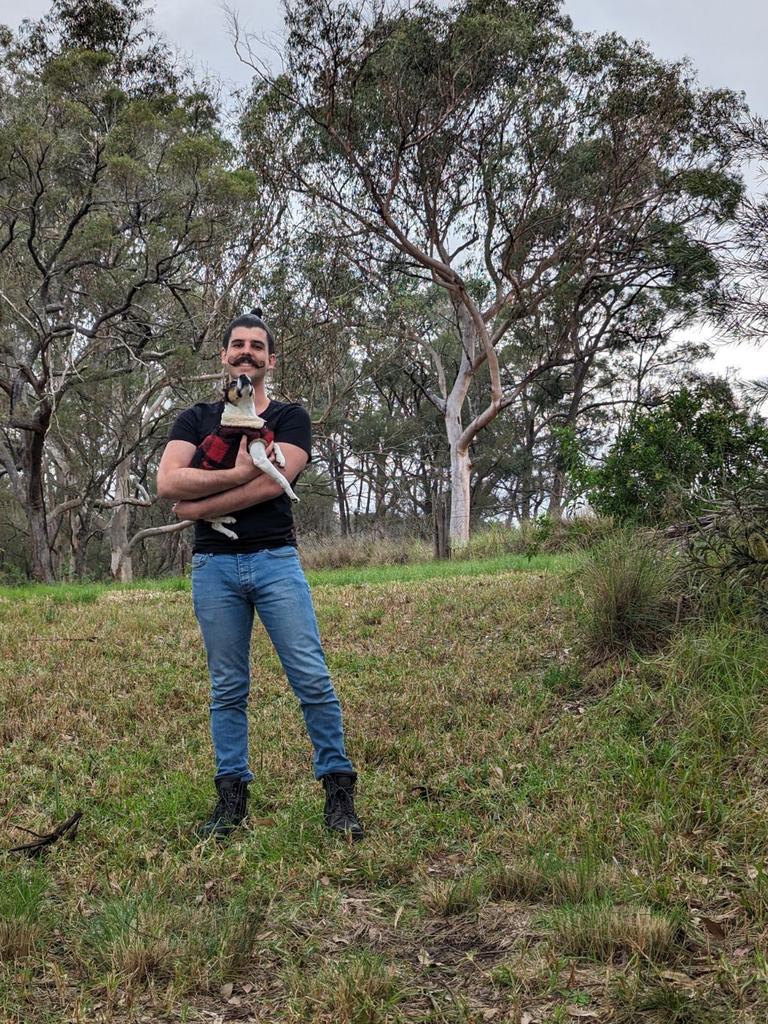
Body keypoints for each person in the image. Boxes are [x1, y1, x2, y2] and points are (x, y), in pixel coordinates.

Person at [156, 310, 363, 841]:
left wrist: (196, 506)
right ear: (224, 356)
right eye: (237, 345)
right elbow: (167, 483)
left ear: (271, 360)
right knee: (227, 688)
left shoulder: (291, 417)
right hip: (213, 568)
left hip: (275, 561)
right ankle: (231, 800)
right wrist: (241, 471)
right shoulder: (195, 419)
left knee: (311, 679)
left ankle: (339, 794)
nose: (246, 352)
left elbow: (275, 484)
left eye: (256, 346)